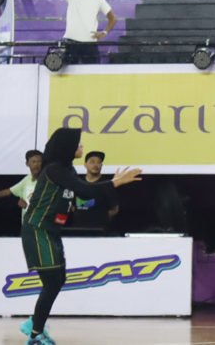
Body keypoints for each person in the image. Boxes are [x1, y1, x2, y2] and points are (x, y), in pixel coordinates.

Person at [19, 128, 141, 345]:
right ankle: (35, 335)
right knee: (52, 281)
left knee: (58, 280)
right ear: (67, 147)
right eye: (78, 144)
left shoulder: (67, 170)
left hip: (51, 229)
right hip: (38, 229)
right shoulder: (54, 169)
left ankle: (34, 322)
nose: (81, 147)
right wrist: (116, 182)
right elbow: (87, 191)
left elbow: (83, 190)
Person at [55, 0, 116, 64]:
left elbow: (112, 19)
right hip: (71, 41)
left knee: (91, 72)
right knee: (69, 72)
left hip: (90, 43)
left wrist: (104, 32)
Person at [68, 151, 120, 229]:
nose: (96, 165)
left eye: (99, 162)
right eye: (92, 162)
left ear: (101, 165)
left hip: (99, 229)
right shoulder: (78, 182)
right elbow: (71, 205)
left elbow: (115, 209)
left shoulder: (107, 184)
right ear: (85, 164)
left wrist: (101, 219)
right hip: (78, 228)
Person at [0, 150, 43, 219]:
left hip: (40, 223)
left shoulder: (46, 181)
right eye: (33, 162)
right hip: (26, 223)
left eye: (39, 162)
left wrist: (27, 206)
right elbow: (7, 192)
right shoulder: (27, 179)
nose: (36, 165)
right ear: (27, 164)